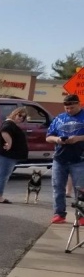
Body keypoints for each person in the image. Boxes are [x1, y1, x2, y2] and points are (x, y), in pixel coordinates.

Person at [46, 93, 84, 224]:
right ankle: (59, 213)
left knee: (80, 189)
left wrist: (78, 138)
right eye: (67, 108)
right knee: (57, 187)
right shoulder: (59, 118)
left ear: (79, 104)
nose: (69, 110)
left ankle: (81, 215)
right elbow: (48, 136)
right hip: (60, 158)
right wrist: (57, 139)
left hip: (79, 159)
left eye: (72, 107)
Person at [0, 107, 29, 203]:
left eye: (23, 117)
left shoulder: (10, 124)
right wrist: (9, 143)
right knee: (3, 176)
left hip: (1, 153)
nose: (20, 118)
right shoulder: (9, 124)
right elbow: (5, 131)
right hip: (6, 154)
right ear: (14, 114)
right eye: (19, 115)